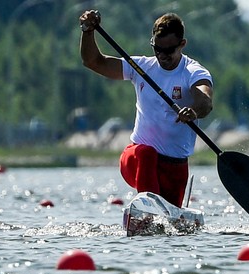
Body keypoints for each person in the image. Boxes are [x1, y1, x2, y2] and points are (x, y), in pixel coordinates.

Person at [79, 10, 213, 207]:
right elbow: (93, 62)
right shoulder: (141, 67)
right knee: (147, 154)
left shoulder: (193, 71)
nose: (161, 55)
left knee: (172, 226)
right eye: (157, 49)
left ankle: (153, 212)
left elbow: (205, 101)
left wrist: (193, 111)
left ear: (182, 44)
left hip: (174, 167)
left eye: (168, 51)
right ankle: (147, 207)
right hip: (137, 160)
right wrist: (88, 31)